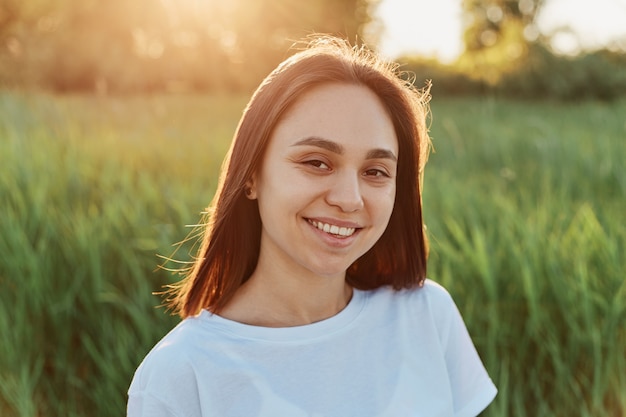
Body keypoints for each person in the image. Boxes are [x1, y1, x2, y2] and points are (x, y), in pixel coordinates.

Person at [127, 35, 497, 417]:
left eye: (375, 171)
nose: (349, 198)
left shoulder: (427, 315)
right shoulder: (181, 374)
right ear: (252, 174)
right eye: (317, 162)